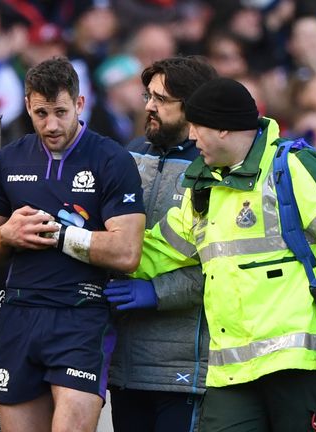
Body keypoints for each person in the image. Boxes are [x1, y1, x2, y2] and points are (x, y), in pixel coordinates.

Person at [130, 77, 316, 431]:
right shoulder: (202, 188)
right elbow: (162, 249)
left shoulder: (294, 167)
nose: (192, 138)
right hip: (231, 374)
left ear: (224, 129)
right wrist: (94, 250)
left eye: (198, 128)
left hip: (300, 363)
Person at [0, 56, 146, 432]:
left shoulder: (111, 159)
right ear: (27, 107)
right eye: (41, 113)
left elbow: (127, 253)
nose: (51, 124)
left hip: (81, 315)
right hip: (19, 314)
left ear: (80, 104)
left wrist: (61, 236)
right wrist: (6, 236)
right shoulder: (7, 160)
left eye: (60, 112)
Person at [103, 56, 217, 432]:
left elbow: (227, 266)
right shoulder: (130, 155)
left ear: (194, 106)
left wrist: (158, 291)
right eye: (148, 96)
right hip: (124, 364)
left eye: (162, 99)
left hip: (184, 367)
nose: (149, 106)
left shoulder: (217, 169)